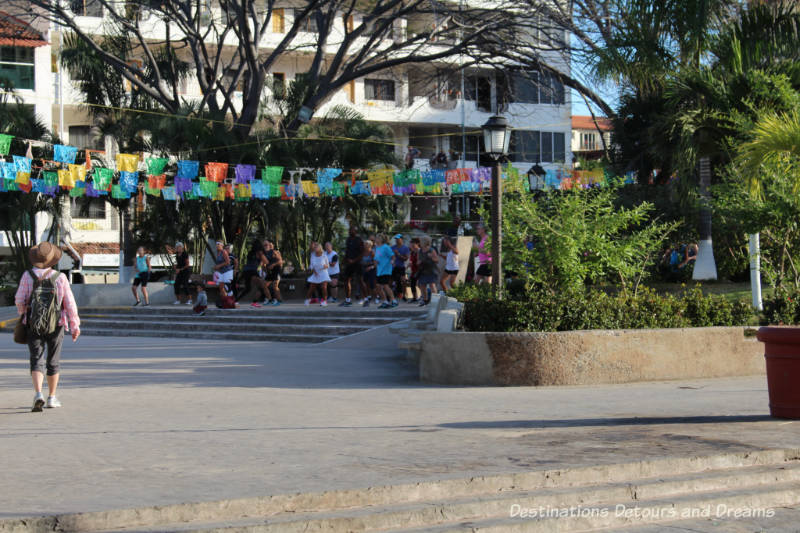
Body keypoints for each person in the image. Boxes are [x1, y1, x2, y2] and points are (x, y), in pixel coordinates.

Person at [15, 242, 80, 412]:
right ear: (52, 260)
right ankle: (52, 397)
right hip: (56, 323)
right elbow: (69, 303)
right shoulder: (60, 277)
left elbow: (19, 299)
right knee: (53, 361)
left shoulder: (27, 276)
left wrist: (25, 315)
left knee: (36, 359)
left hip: (32, 323)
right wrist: (74, 325)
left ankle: (38, 394)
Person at [239, 238, 269, 307]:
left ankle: (235, 301)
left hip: (245, 271)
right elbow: (266, 262)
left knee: (248, 288)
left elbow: (253, 261)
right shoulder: (260, 252)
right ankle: (255, 302)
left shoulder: (250, 252)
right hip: (252, 271)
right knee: (262, 286)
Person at [340, 226, 364, 307]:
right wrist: (344, 261)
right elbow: (347, 251)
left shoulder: (359, 240)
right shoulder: (348, 240)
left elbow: (362, 253)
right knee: (346, 280)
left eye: (351, 230)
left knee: (360, 280)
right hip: (349, 263)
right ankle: (348, 300)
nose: (350, 231)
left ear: (355, 231)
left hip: (357, 263)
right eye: (349, 230)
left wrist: (354, 260)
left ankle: (365, 298)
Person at [374, 234, 397, 308]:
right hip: (379, 270)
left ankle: (393, 301)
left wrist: (392, 262)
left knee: (385, 285)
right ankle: (385, 301)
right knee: (378, 287)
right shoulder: (377, 248)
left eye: (377, 238)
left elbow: (393, 256)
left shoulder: (386, 247)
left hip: (386, 270)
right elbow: (376, 258)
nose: (376, 239)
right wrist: (375, 263)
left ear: (381, 239)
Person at [417, 236, 440, 306]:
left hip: (431, 270)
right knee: (422, 285)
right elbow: (418, 260)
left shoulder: (431, 250)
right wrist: (418, 262)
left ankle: (435, 301)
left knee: (432, 285)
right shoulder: (420, 250)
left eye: (420, 241)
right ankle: (425, 300)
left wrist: (432, 257)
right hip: (423, 270)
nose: (419, 243)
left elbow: (437, 260)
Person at [263, 239, 284, 305]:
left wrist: (273, 265)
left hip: (276, 270)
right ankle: (270, 299)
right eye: (264, 245)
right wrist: (265, 270)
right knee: (264, 286)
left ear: (269, 245)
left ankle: (279, 301)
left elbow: (281, 261)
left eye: (266, 244)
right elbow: (263, 264)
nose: (265, 246)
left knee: (275, 286)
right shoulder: (264, 254)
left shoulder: (274, 252)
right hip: (270, 272)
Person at [391, 234, 410, 302]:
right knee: (391, 281)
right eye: (396, 239)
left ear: (401, 239)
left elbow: (405, 258)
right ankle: (391, 296)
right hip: (393, 267)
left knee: (403, 281)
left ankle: (404, 295)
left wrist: (398, 254)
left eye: (398, 239)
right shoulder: (392, 247)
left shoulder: (405, 248)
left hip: (401, 267)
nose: (397, 240)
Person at [360, 240, 377, 306]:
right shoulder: (363, 252)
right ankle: (368, 297)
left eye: (366, 244)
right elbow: (361, 261)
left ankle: (377, 297)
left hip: (371, 269)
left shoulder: (372, 252)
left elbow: (375, 263)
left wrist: (370, 267)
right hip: (364, 269)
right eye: (364, 244)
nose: (365, 245)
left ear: (370, 245)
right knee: (365, 284)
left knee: (372, 285)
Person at [408, 237, 421, 302]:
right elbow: (411, 261)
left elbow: (420, 261)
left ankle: (424, 297)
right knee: (412, 284)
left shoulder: (419, 251)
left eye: (413, 244)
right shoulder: (412, 252)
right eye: (411, 244)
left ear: (417, 244)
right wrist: (407, 267)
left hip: (419, 270)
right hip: (414, 270)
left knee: (420, 284)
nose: (411, 245)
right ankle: (414, 298)